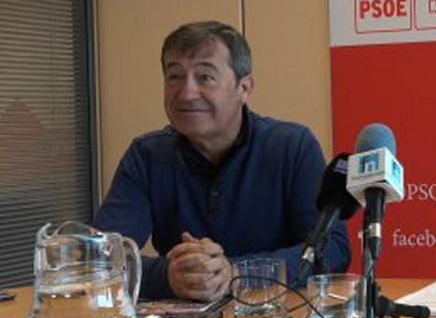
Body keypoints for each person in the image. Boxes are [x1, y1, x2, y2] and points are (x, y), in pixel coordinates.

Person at [94, 21, 349, 301]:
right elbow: (100, 259)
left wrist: (235, 273)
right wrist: (169, 275)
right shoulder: (147, 155)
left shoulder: (292, 146)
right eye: (174, 77)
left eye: (205, 77)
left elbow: (333, 249)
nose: (187, 92)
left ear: (244, 88)